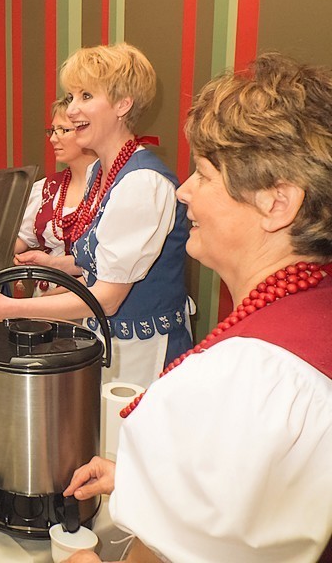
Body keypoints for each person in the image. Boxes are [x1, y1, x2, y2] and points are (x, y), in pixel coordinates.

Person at [62, 53, 332, 563]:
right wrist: (143, 478)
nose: (184, 191)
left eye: (204, 175)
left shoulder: (251, 376)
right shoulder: (308, 305)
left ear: (278, 203)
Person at [0, 44, 192, 388]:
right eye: (71, 96)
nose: (72, 110)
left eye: (86, 95)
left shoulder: (141, 183)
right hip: (105, 341)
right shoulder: (100, 174)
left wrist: (9, 308)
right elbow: (103, 257)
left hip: (140, 354)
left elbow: (107, 298)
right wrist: (59, 265)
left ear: (123, 103)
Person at [14, 98, 98, 295]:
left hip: (89, 303)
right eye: (52, 130)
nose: (53, 138)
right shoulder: (46, 188)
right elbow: (21, 240)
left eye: (63, 130)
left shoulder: (110, 189)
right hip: (43, 303)